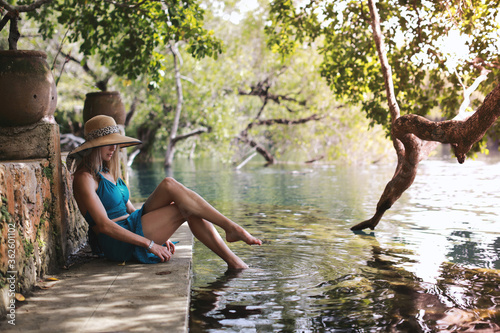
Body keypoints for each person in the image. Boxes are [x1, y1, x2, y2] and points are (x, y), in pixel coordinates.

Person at [67, 115, 261, 269]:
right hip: (114, 242)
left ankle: (233, 246)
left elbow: (131, 212)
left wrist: (160, 232)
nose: (114, 147)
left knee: (169, 184)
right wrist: (150, 244)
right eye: (108, 143)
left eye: (115, 142)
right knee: (184, 209)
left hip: (130, 224)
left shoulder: (109, 171)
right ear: (94, 146)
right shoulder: (85, 178)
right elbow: (104, 226)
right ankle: (233, 243)